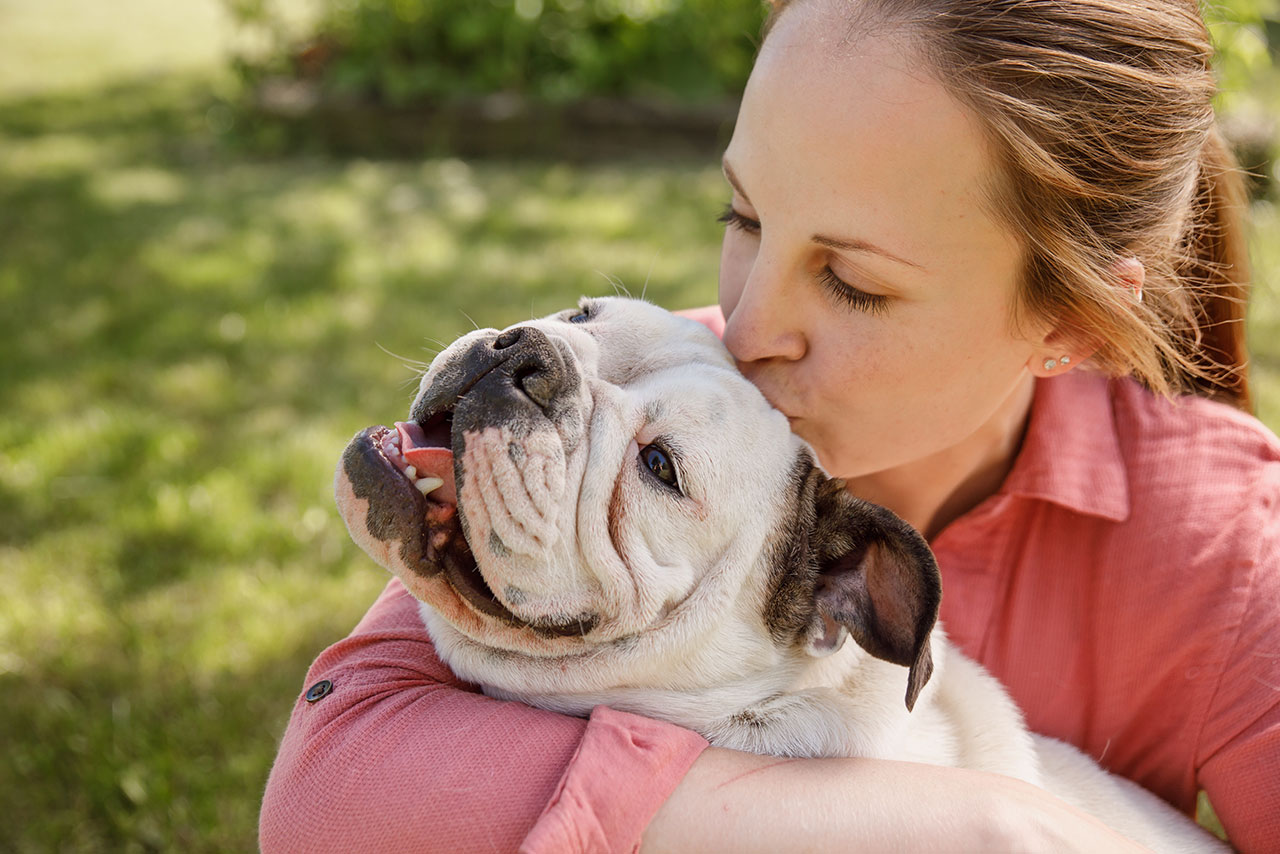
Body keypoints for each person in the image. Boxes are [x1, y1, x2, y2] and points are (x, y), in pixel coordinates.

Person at [259, 0, 1280, 850]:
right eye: (743, 218)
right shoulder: (678, 376)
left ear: (1062, 322)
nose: (746, 329)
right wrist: (956, 822)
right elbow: (328, 791)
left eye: (848, 283)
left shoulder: (1229, 553)